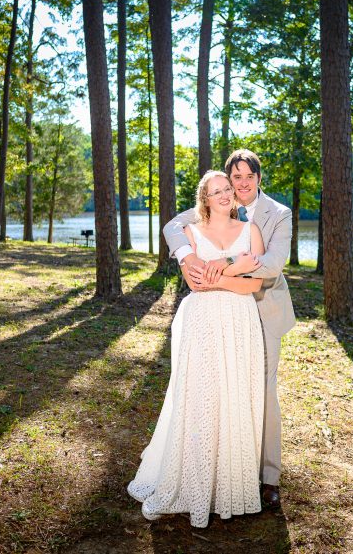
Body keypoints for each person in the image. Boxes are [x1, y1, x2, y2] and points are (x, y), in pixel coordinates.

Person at [127, 171, 268, 528]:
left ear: (235, 196)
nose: (223, 195)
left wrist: (219, 277)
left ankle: (231, 486)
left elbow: (255, 285)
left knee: (235, 395)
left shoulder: (250, 231)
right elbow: (195, 283)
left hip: (240, 321)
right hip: (202, 321)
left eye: (227, 189)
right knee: (201, 396)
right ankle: (193, 482)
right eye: (214, 191)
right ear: (203, 199)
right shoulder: (190, 234)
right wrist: (233, 271)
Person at [163, 149, 295, 510]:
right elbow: (173, 226)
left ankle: (267, 478)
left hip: (263, 311)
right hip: (214, 312)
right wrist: (189, 258)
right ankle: (219, 466)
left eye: (248, 176)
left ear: (258, 177)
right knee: (215, 387)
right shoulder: (219, 202)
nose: (242, 184)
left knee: (261, 391)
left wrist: (219, 265)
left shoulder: (278, 214)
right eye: (235, 178)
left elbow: (268, 265)